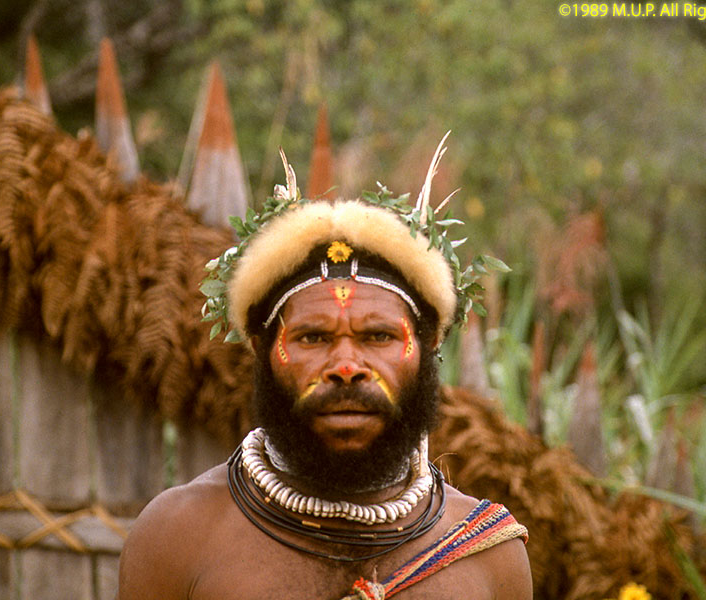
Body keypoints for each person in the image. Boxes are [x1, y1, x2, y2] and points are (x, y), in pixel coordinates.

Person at [117, 159, 532, 599]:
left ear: (428, 344)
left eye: (379, 336)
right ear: (261, 349)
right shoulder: (177, 538)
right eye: (313, 337)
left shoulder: (488, 556)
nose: (346, 367)